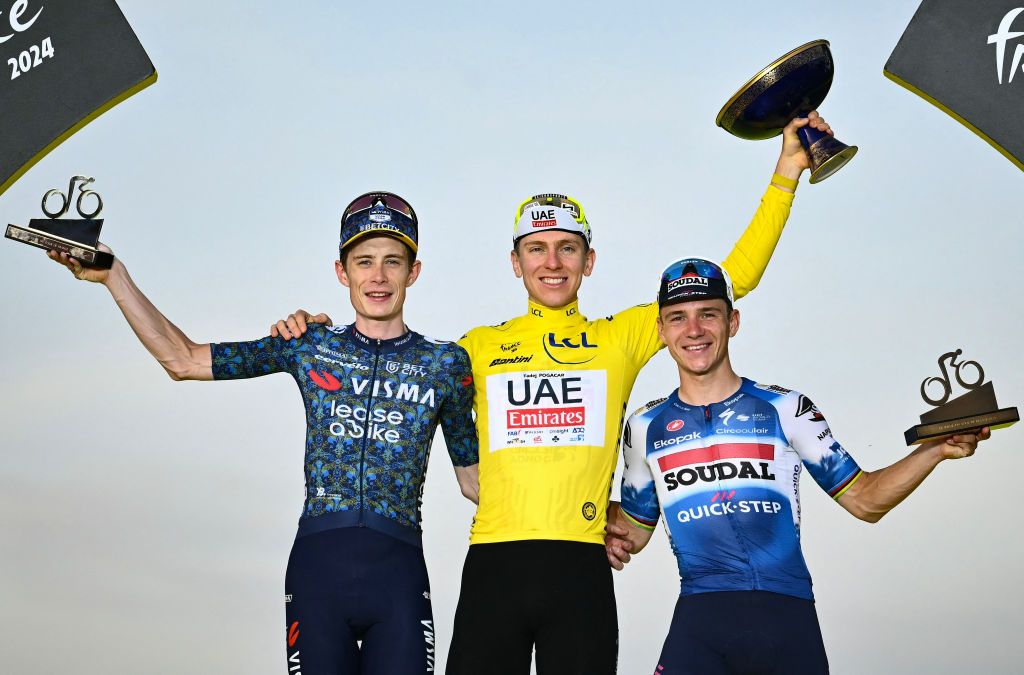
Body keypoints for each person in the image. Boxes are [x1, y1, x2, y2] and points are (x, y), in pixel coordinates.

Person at [270, 113, 834, 674]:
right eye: (537, 249)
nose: (553, 262)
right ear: (515, 264)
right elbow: (388, 352)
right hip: (493, 567)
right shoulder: (476, 348)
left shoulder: (619, 337)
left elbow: (735, 277)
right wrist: (316, 331)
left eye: (568, 248)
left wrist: (785, 173)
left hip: (580, 571)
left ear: (590, 261)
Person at [47, 192, 480, 674]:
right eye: (364, 262)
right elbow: (183, 359)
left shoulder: (445, 365)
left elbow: (474, 480)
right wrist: (114, 276)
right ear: (342, 272)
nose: (377, 276)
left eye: (392, 262)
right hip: (319, 572)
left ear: (413, 271)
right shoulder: (308, 345)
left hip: (399, 576)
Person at [605, 256, 989, 674]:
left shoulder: (786, 408)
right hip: (700, 620)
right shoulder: (644, 426)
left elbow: (865, 500)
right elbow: (633, 533)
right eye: (677, 317)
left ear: (733, 322)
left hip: (786, 618)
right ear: (661, 330)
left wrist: (933, 450)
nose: (693, 330)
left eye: (708, 315)